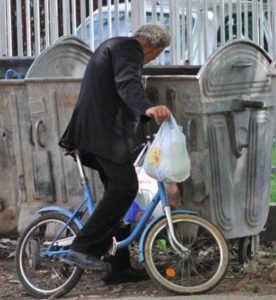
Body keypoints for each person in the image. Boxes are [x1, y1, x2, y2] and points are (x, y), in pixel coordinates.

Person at [59, 24, 171, 284]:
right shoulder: (128, 48)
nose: (152, 59)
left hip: (101, 135)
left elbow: (118, 91)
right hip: (100, 135)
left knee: (117, 198)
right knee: (125, 187)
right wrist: (148, 109)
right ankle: (82, 248)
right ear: (154, 49)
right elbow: (127, 83)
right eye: (156, 55)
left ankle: (117, 268)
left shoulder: (117, 47)